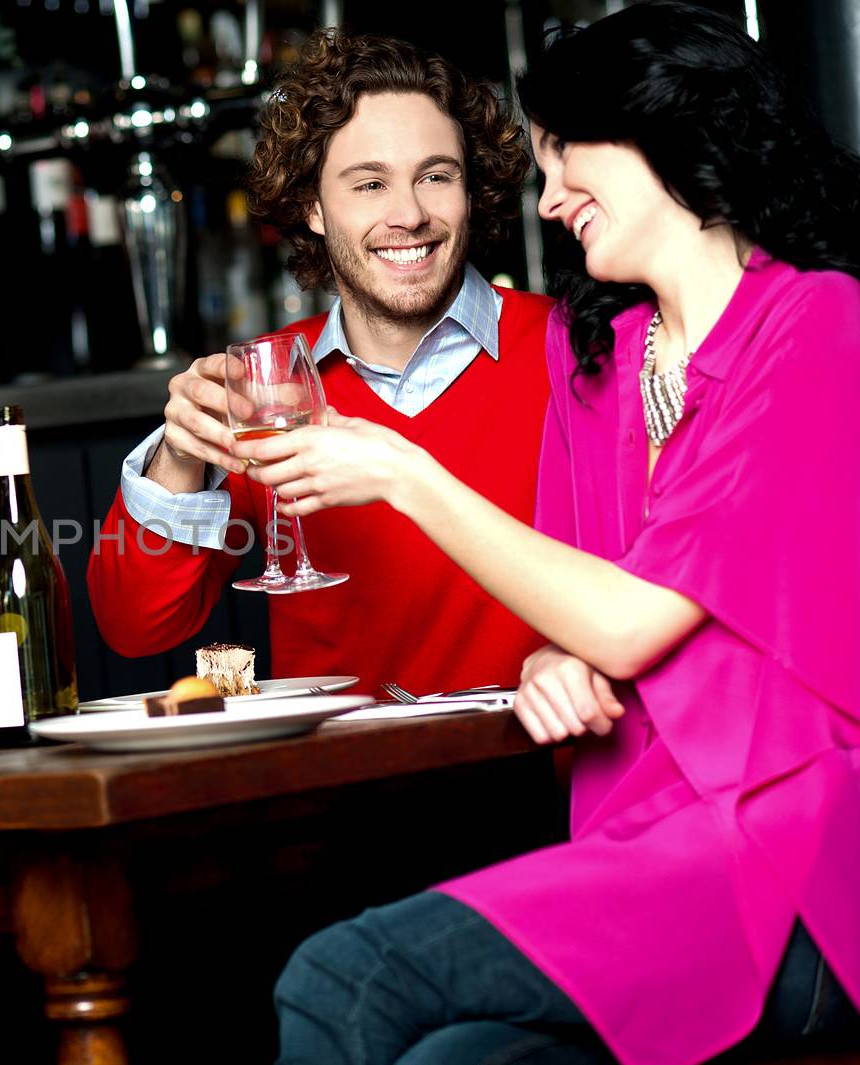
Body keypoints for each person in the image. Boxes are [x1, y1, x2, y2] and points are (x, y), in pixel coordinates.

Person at [264, 5, 860, 1062]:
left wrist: (406, 475)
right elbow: (585, 606)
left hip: (786, 859)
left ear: (666, 128)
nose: (548, 199)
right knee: (456, 1059)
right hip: (634, 844)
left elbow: (630, 623)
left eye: (565, 155)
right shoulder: (598, 366)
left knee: (340, 978)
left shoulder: (814, 327)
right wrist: (549, 653)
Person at [87, 30, 554, 697]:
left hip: (540, 783)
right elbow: (137, 626)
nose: (409, 214)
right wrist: (181, 457)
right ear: (312, 207)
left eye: (435, 176)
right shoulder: (270, 387)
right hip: (337, 794)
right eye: (369, 183)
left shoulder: (568, 348)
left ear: (471, 188)